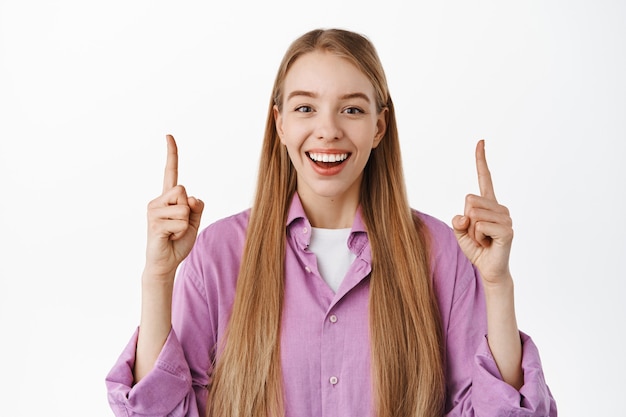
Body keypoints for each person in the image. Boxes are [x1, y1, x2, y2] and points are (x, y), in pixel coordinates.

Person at [106, 28, 557, 417]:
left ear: (379, 128)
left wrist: (498, 284)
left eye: (352, 109)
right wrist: (157, 278)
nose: (328, 130)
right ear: (279, 124)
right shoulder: (220, 253)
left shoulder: (439, 251)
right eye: (305, 108)